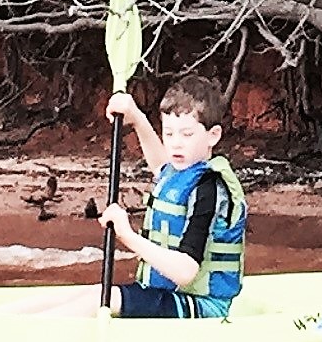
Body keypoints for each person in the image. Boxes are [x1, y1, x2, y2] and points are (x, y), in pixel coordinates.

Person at [98, 74, 248, 318]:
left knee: (101, 299)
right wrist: (136, 117)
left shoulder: (207, 189)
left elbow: (185, 272)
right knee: (93, 294)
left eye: (186, 135)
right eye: (169, 134)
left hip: (203, 306)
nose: (176, 144)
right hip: (165, 295)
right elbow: (161, 166)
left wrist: (127, 235)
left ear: (213, 135)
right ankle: (13, 320)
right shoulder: (179, 174)